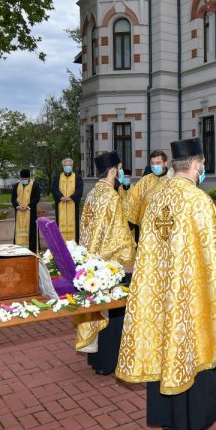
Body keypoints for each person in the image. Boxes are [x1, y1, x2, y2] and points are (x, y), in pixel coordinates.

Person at [116, 137, 216, 430]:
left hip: (160, 295)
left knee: (165, 347)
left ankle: (167, 416)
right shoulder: (198, 200)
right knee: (193, 347)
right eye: (203, 164)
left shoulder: (156, 198)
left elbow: (146, 249)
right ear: (197, 164)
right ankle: (195, 418)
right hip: (190, 297)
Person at [76, 151, 135, 375]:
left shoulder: (93, 193)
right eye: (119, 169)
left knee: (98, 309)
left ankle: (97, 360)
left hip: (92, 262)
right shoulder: (111, 196)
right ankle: (110, 362)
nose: (121, 172)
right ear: (113, 171)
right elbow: (119, 234)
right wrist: (130, 259)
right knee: (114, 313)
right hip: (111, 265)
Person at [126, 149, 169, 233]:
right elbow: (135, 199)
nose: (155, 166)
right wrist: (130, 221)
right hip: (146, 227)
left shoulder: (172, 180)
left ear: (165, 163)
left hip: (166, 226)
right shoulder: (145, 180)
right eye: (153, 163)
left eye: (158, 163)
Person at [51, 157, 84, 242]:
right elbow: (54, 189)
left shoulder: (77, 177)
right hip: (60, 205)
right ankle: (61, 244)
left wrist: (72, 197)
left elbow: (79, 189)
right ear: (63, 166)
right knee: (60, 225)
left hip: (73, 204)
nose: (67, 167)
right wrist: (60, 197)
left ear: (72, 166)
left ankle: (74, 244)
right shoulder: (57, 177)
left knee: (74, 225)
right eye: (66, 165)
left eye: (69, 165)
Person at [14, 168, 41, 251]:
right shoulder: (17, 185)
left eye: (25, 178)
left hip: (30, 212)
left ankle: (31, 250)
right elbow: (13, 198)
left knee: (32, 232)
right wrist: (18, 206)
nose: (24, 180)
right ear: (20, 178)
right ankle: (18, 249)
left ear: (29, 177)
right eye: (22, 179)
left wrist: (28, 206)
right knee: (18, 231)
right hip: (19, 213)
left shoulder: (34, 185)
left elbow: (36, 198)